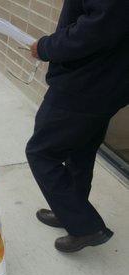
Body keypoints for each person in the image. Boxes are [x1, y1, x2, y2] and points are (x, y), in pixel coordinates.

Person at [27, 0, 129, 252]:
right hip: (106, 82)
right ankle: (69, 213)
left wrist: (46, 47)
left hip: (84, 83)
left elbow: (95, 29)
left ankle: (86, 226)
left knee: (41, 153)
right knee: (80, 151)